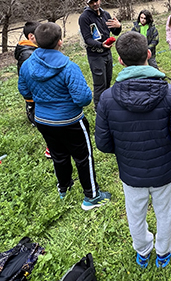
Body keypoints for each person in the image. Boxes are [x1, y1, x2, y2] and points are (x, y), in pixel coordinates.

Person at [95, 31, 171, 269]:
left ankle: (143, 250)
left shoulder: (107, 99)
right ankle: (163, 250)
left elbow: (103, 144)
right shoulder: (169, 93)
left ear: (120, 61)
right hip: (164, 172)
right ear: (148, 54)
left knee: (135, 214)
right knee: (165, 213)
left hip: (131, 172)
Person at [18, 22, 111, 209]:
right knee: (83, 157)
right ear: (60, 42)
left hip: (44, 120)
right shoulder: (69, 67)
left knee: (58, 155)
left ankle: (64, 188)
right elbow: (84, 98)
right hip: (70, 121)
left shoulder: (27, 65)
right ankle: (91, 196)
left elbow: (25, 91)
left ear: (35, 40)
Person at [78, 0, 122, 109]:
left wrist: (119, 26)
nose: (95, 4)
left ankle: (107, 103)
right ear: (86, 3)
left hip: (107, 53)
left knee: (107, 80)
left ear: (100, 0)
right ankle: (98, 107)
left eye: (96, 1)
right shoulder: (84, 18)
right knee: (99, 83)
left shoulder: (105, 14)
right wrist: (101, 45)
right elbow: (87, 39)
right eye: (91, 2)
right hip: (95, 55)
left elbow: (115, 32)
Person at [14, 21, 51, 159]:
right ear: (31, 37)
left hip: (39, 98)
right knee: (47, 125)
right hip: (35, 100)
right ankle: (51, 149)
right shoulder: (27, 55)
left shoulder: (34, 51)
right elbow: (28, 81)